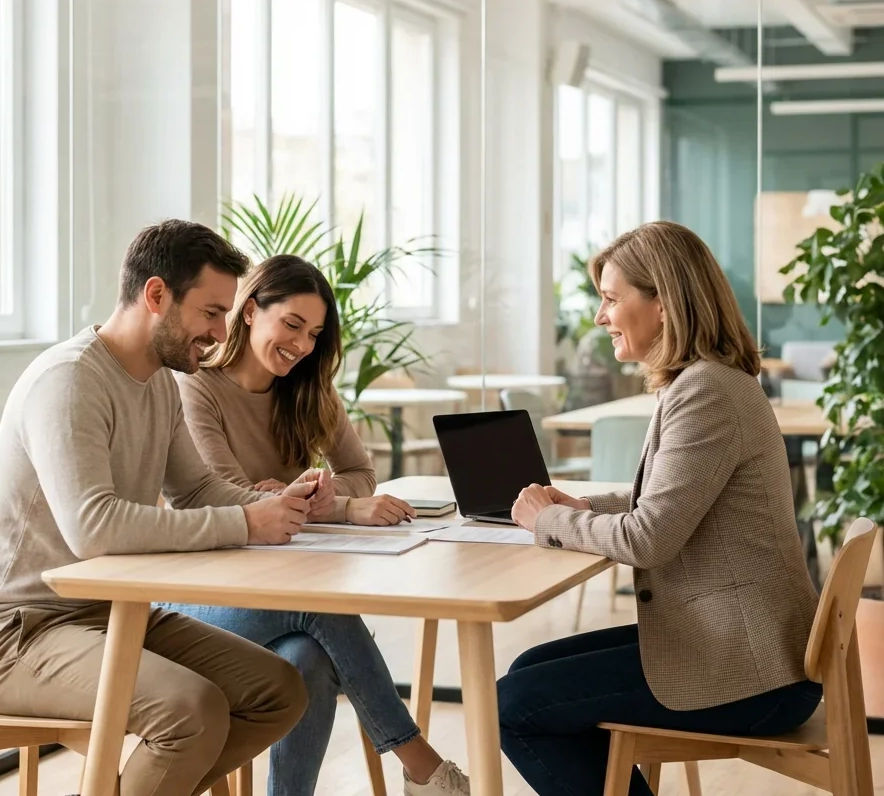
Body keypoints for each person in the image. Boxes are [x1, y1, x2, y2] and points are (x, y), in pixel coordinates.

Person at [0, 220, 317, 796]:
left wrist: (284, 508)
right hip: (19, 633)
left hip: (112, 613)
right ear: (155, 296)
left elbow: (197, 490)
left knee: (280, 689)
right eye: (211, 313)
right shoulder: (70, 381)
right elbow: (92, 529)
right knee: (190, 712)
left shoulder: (158, 383)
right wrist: (247, 522)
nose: (221, 333)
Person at [499, 221, 823, 796]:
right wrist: (581, 506)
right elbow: (671, 498)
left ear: (664, 303)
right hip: (752, 648)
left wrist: (548, 520)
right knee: (526, 674)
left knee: (515, 705)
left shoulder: (706, 391)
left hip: (751, 671)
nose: (600, 317)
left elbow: (648, 537)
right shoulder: (709, 382)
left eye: (611, 299)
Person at [158, 254, 469, 796]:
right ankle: (422, 764)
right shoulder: (197, 388)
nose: (301, 346)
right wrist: (339, 509)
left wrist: (322, 499)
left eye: (315, 334)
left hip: (279, 589)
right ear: (250, 311)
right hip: (198, 603)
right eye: (292, 326)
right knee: (318, 605)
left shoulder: (307, 387)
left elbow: (360, 472)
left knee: (308, 657)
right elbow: (227, 499)